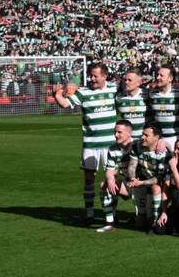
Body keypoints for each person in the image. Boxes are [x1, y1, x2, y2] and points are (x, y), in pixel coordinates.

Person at [54, 63, 117, 226]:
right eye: (91, 75)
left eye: (96, 76)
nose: (92, 79)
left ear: (104, 76)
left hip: (111, 144)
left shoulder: (114, 89)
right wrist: (57, 92)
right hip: (91, 144)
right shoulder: (83, 92)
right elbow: (64, 104)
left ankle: (111, 215)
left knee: (111, 180)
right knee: (89, 179)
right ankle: (89, 214)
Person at [127, 122, 170, 233]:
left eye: (146, 135)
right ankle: (143, 215)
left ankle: (155, 222)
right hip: (145, 182)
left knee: (155, 187)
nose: (142, 137)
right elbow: (132, 166)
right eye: (142, 134)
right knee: (140, 224)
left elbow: (159, 178)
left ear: (156, 137)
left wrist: (141, 182)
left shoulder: (164, 153)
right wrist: (133, 178)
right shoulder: (137, 146)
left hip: (164, 187)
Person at [96, 120, 135, 233]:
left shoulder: (138, 145)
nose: (116, 135)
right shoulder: (112, 149)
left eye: (119, 132)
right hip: (127, 184)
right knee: (105, 184)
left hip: (142, 186)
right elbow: (109, 170)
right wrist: (111, 180)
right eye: (115, 132)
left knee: (142, 223)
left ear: (129, 133)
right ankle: (110, 222)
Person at [156, 137, 179, 235]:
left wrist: (174, 168)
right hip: (174, 205)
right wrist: (163, 212)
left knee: (177, 193)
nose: (175, 151)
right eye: (175, 148)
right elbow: (166, 188)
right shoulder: (173, 163)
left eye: (178, 149)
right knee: (160, 229)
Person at [148, 65, 179, 149]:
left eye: (161, 75)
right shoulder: (152, 94)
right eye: (157, 75)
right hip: (160, 139)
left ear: (170, 78)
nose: (158, 77)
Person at [116, 68, 149, 139]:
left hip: (143, 140)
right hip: (126, 141)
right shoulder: (119, 97)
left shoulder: (147, 95)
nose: (126, 82)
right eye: (125, 80)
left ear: (139, 82)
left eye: (129, 80)